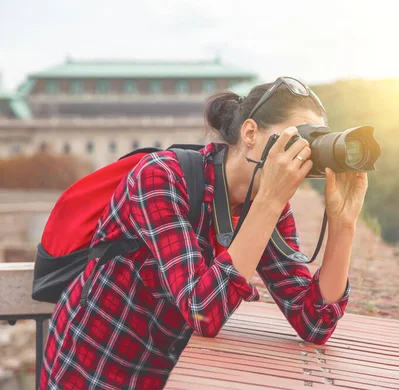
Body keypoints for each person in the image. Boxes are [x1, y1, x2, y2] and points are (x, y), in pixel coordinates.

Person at [41, 77, 368, 389]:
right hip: (93, 371)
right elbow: (202, 310)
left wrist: (343, 225)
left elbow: (314, 322)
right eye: (295, 139)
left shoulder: (268, 205)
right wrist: (269, 201)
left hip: (166, 376)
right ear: (250, 133)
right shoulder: (162, 177)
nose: (301, 154)